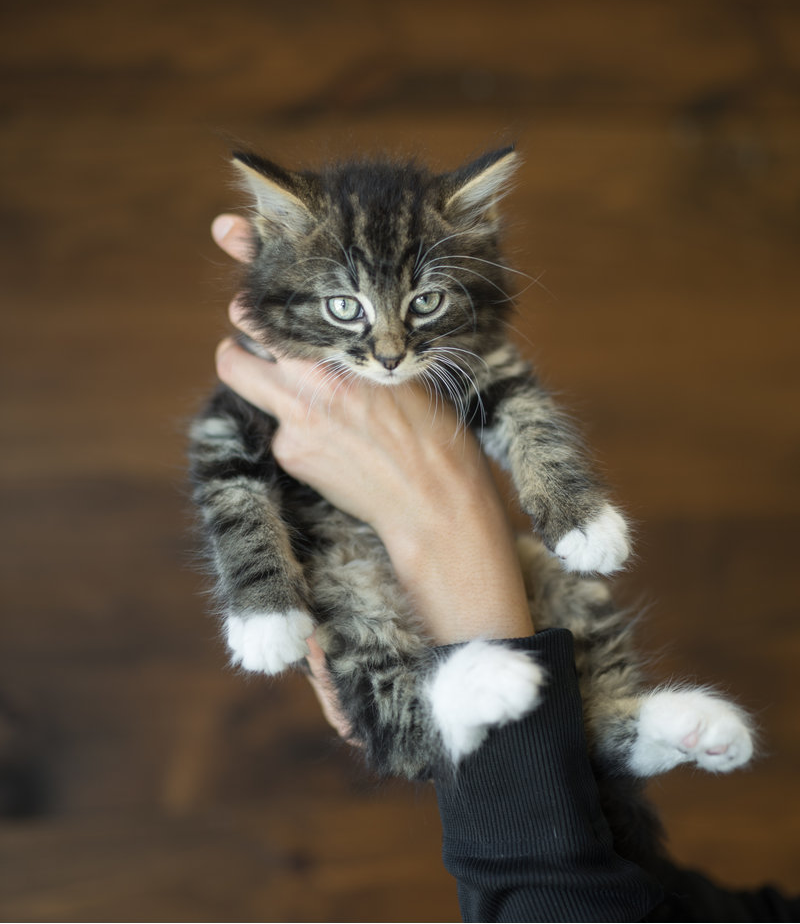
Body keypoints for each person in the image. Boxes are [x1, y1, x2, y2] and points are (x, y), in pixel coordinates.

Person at [208, 214, 799, 922]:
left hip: (502, 756)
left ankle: (606, 728)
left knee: (556, 583)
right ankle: (470, 717)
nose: (392, 349)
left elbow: (514, 404)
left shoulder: (463, 345)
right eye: (348, 307)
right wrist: (260, 593)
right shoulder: (282, 349)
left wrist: (536, 505)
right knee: (351, 596)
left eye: (424, 303)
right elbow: (227, 470)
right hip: (346, 566)